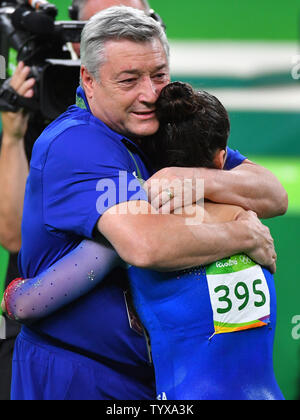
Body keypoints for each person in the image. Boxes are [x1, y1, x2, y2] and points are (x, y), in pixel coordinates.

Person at [5, 6, 286, 400]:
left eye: (159, 75)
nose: (150, 94)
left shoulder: (159, 124)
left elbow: (273, 194)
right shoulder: (75, 144)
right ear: (88, 79)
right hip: (80, 375)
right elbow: (144, 246)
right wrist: (241, 233)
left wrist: (190, 178)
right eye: (129, 80)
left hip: (152, 378)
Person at [0, 0, 154, 401]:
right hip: (60, 348)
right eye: (103, 25)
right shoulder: (56, 126)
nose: (146, 90)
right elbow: (12, 234)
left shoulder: (156, 107)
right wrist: (13, 135)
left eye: (135, 21)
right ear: (77, 43)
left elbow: (263, 188)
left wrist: (179, 183)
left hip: (136, 361)